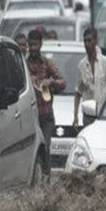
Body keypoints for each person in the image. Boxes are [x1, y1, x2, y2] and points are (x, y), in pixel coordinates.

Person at [26, 30, 66, 171]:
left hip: (45, 117)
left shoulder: (48, 64)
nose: (33, 48)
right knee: (30, 153)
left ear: (41, 44)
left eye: (36, 44)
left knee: (46, 150)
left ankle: (46, 182)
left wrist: (51, 82)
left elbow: (63, 82)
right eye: (31, 45)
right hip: (29, 117)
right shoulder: (23, 65)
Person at [73, 27, 106, 128]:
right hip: (88, 115)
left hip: (102, 114)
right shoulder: (81, 65)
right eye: (85, 41)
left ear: (95, 41)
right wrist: (75, 116)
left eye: (89, 40)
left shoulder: (104, 62)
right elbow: (78, 92)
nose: (87, 44)